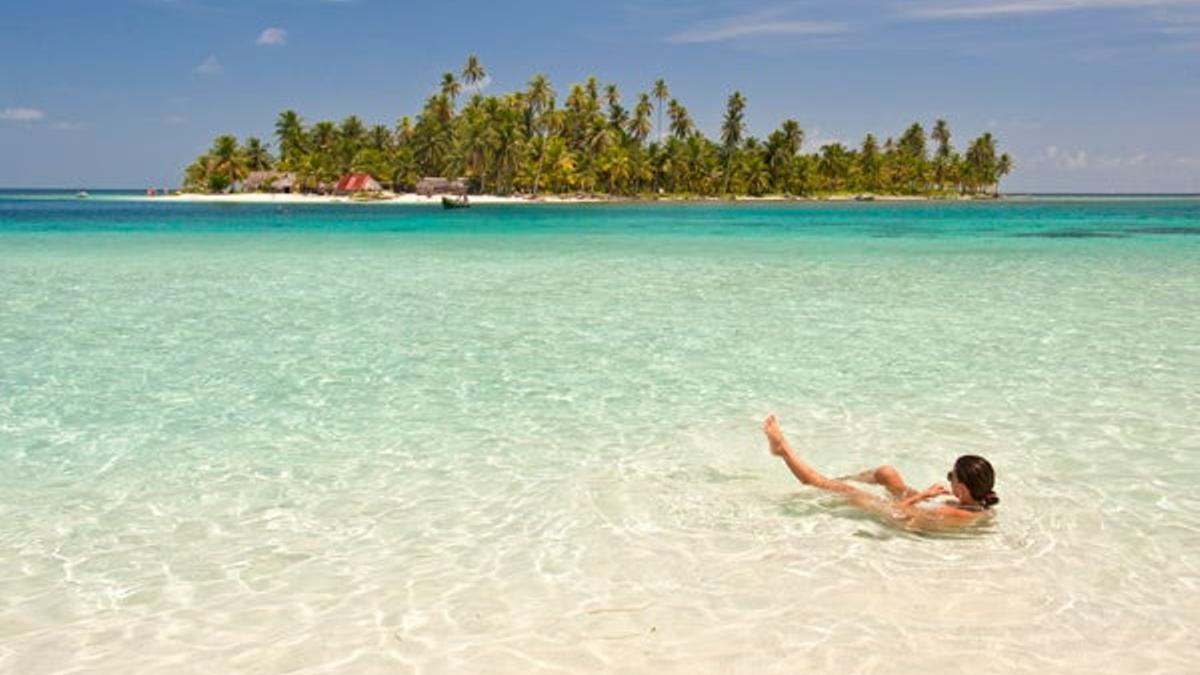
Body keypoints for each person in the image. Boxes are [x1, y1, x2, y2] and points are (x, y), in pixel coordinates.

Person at [763, 414, 998, 528]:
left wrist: (922, 496)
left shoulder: (959, 514)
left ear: (963, 488)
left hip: (899, 521)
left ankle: (785, 453)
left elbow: (897, 513)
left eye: (951, 476)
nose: (949, 479)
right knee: (887, 473)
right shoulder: (974, 503)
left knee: (850, 492)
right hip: (916, 511)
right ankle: (825, 481)